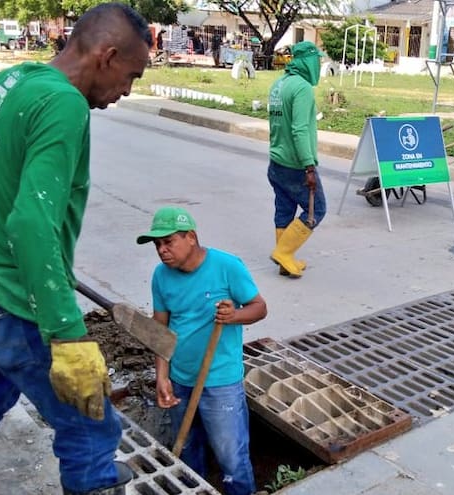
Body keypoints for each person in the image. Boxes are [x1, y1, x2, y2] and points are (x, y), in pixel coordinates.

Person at [0, 3, 152, 494]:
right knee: (91, 428)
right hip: (17, 305)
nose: (127, 91)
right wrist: (68, 337)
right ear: (107, 56)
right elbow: (32, 224)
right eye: (131, 75)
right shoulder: (64, 105)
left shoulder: (14, 79)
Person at [137, 206, 266, 495]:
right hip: (180, 379)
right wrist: (162, 376)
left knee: (230, 457)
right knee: (187, 450)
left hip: (221, 383)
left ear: (191, 237)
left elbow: (259, 307)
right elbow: (160, 331)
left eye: (168, 242)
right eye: (157, 244)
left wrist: (234, 315)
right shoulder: (161, 276)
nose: (161, 250)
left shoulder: (227, 266)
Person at [267, 40, 327, 278]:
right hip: (296, 165)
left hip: (277, 161)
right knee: (317, 209)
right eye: (317, 60)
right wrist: (309, 166)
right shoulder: (302, 88)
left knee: (284, 210)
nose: (319, 64)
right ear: (307, 61)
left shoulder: (279, 84)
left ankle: (285, 260)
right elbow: (299, 130)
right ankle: (283, 253)